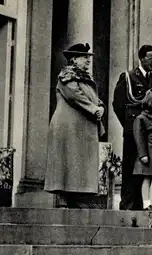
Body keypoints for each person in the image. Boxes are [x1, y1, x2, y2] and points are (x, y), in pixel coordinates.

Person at [44, 43, 106, 208]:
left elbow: (94, 98)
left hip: (81, 128)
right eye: (84, 57)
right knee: (68, 161)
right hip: (69, 127)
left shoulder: (85, 78)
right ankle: (66, 198)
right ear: (74, 59)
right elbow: (74, 96)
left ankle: (78, 197)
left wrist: (100, 107)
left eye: (88, 57)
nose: (88, 60)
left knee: (78, 162)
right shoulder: (67, 76)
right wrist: (94, 109)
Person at [112, 45, 152, 210]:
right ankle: (127, 206)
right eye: (151, 59)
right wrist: (130, 125)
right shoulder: (128, 77)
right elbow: (118, 104)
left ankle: (141, 205)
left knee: (145, 170)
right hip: (132, 130)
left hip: (150, 132)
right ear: (141, 58)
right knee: (129, 168)